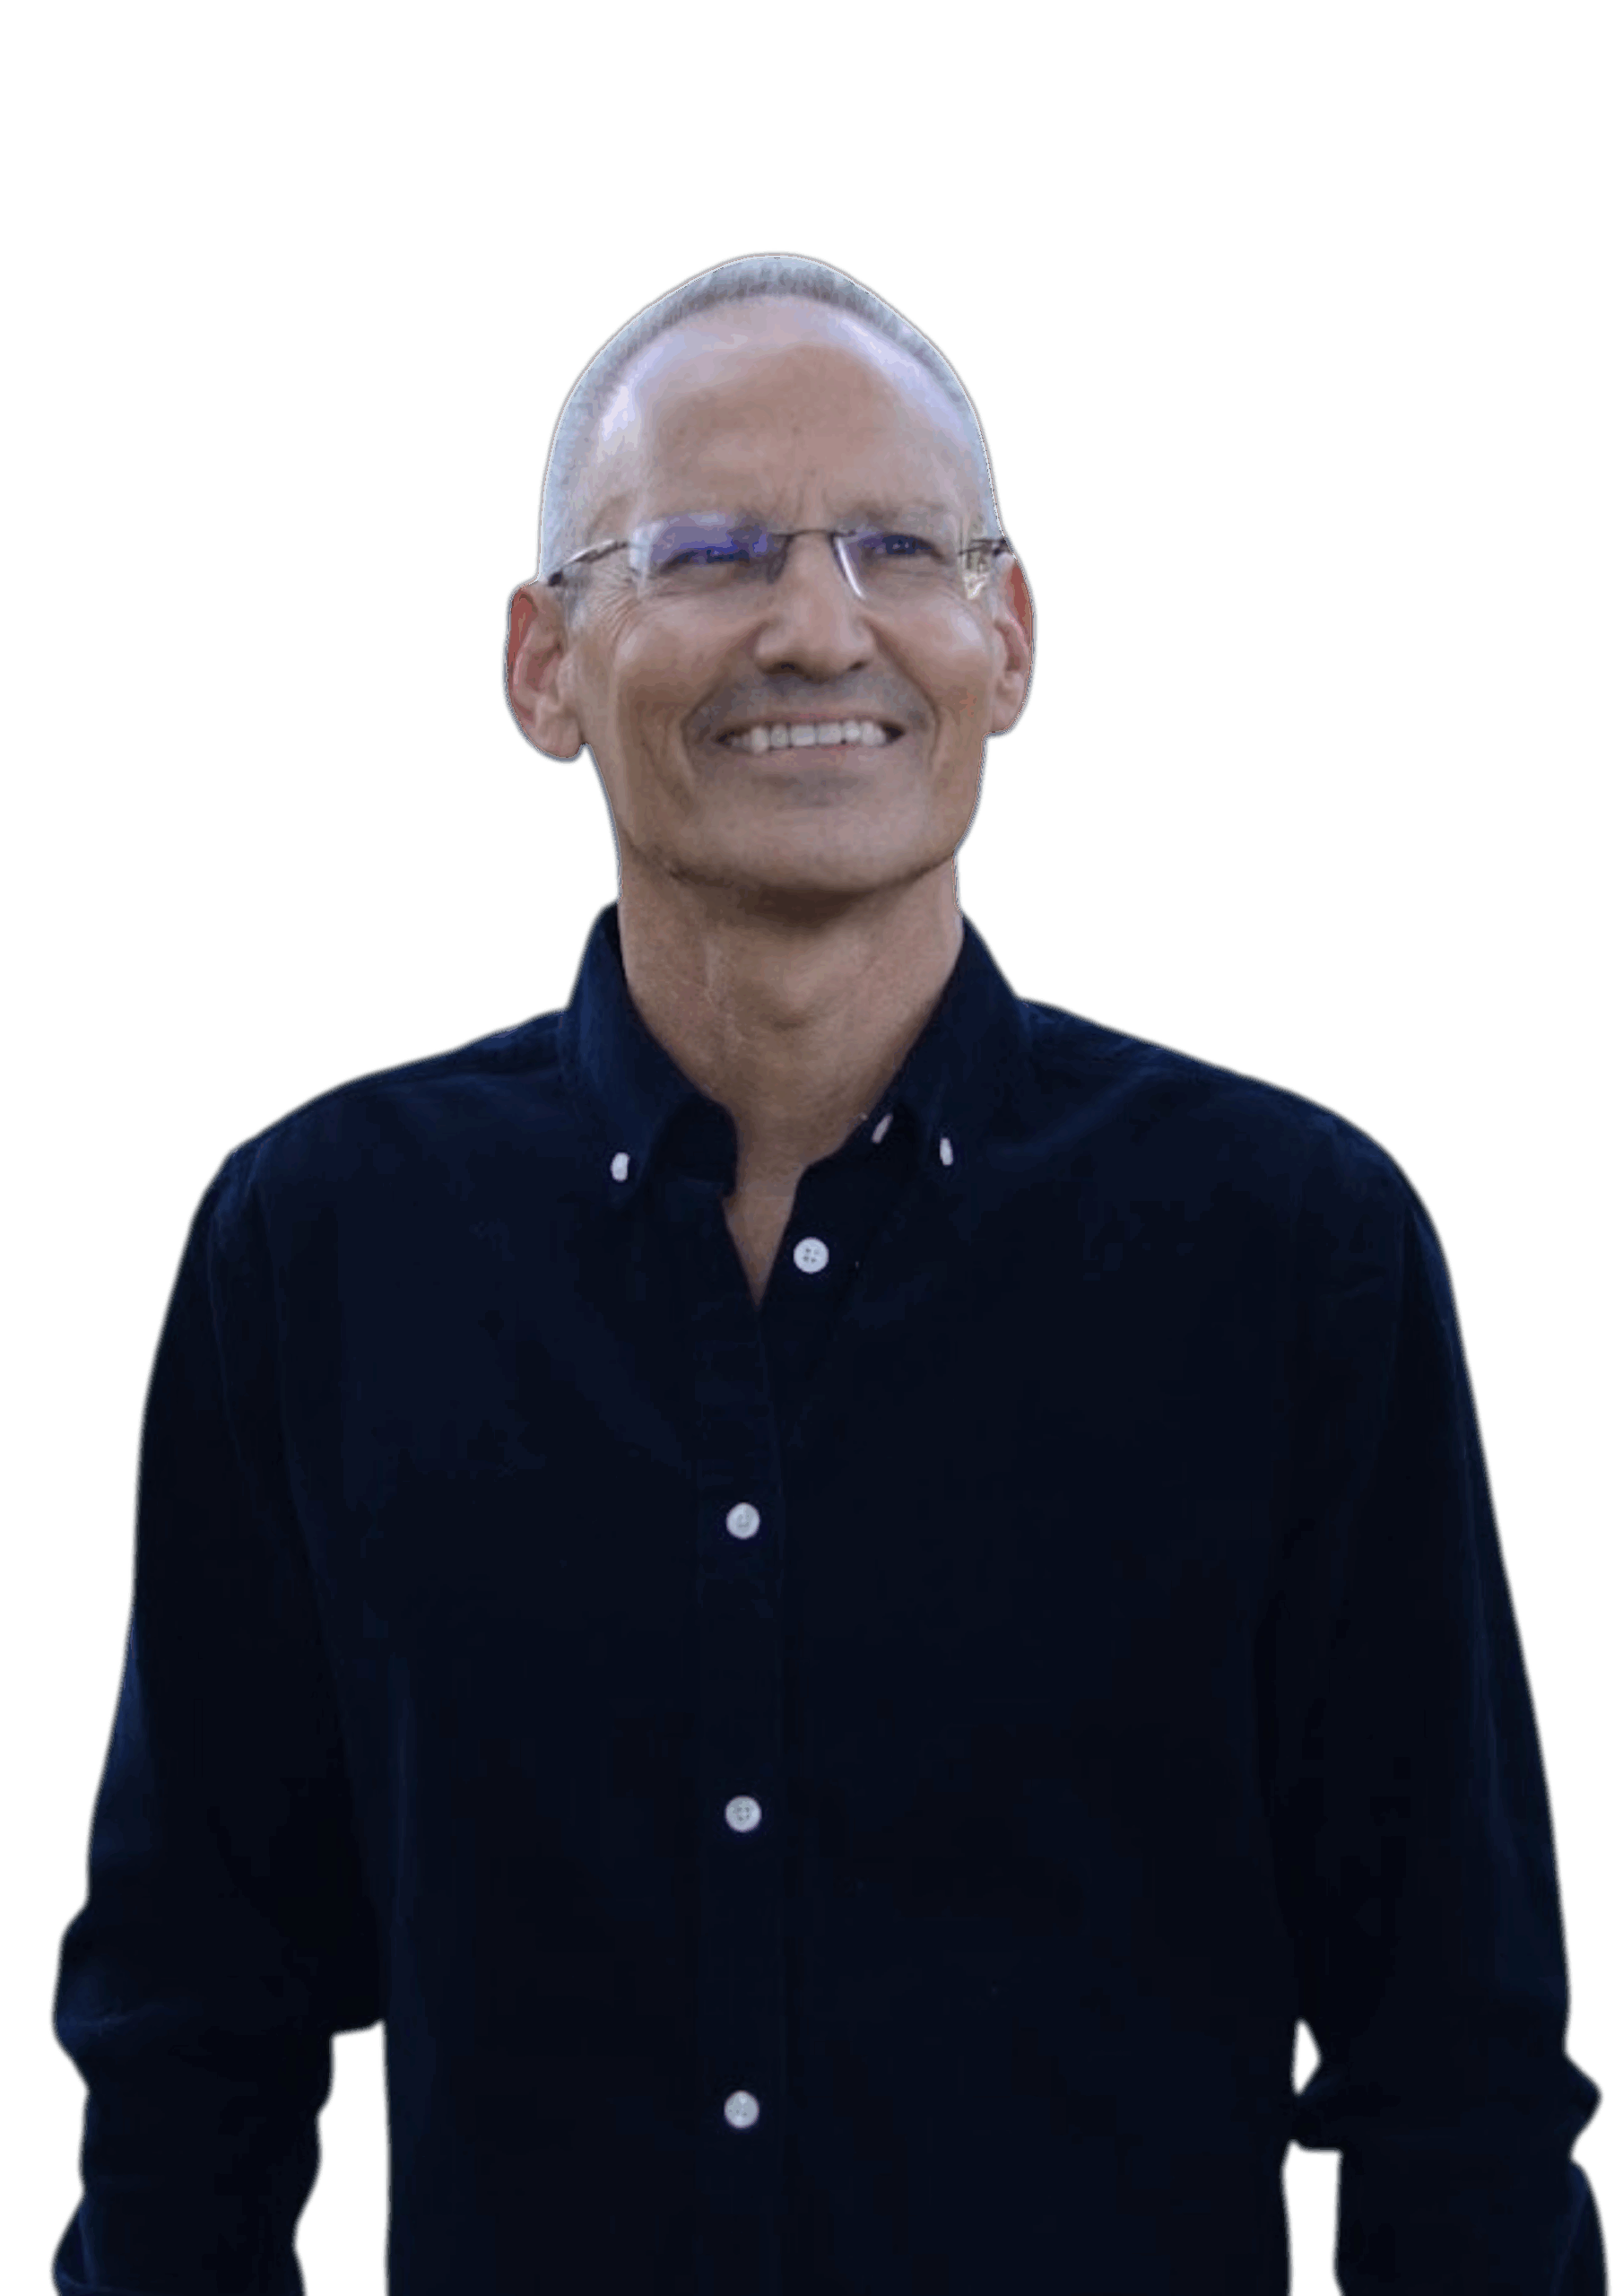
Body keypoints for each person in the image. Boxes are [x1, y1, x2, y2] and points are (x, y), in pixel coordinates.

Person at [48, 249, 1608, 2292]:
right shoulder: (321, 1249)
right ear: (540, 662)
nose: (814, 621)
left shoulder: (1296, 1254)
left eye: (897, 548)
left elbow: (1453, 2081)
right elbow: (190, 2048)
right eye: (706, 552)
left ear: (1007, 637)